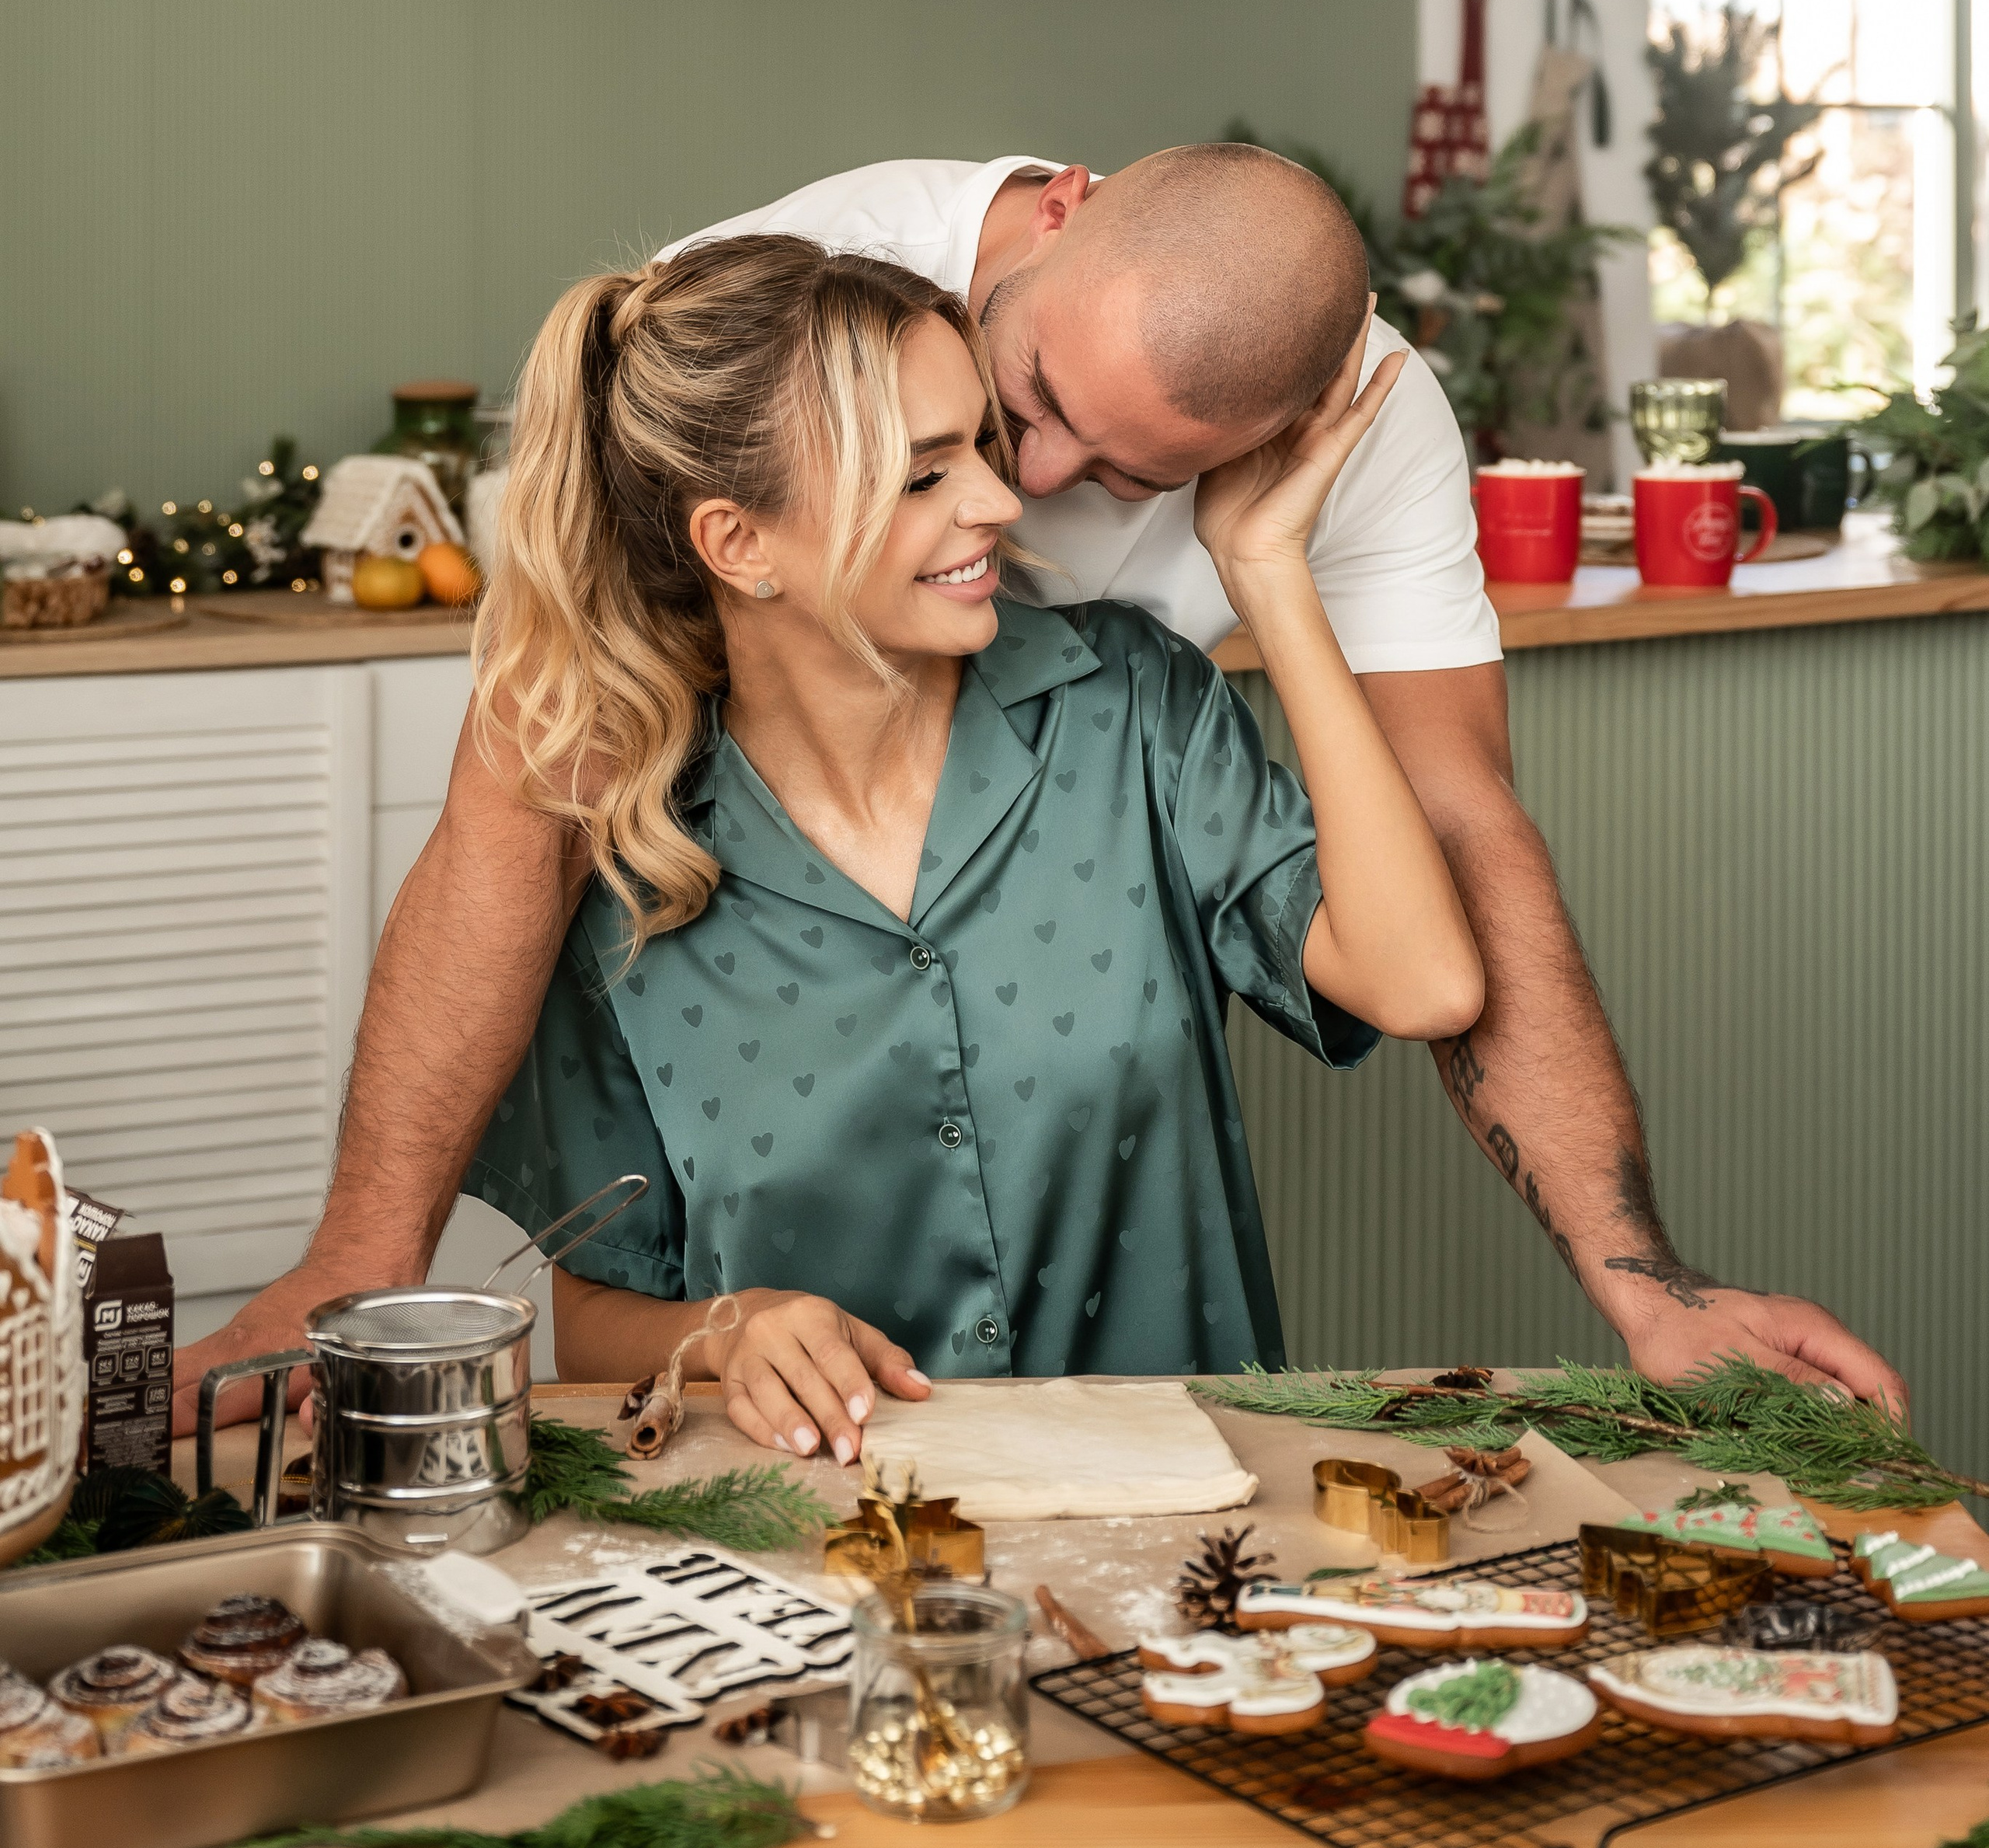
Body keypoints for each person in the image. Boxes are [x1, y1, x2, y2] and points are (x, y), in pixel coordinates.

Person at [176, 145, 1905, 1427]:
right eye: (999, 427)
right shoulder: (770, 323)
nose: (1036, 493)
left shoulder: (1178, 658)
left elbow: (1452, 865)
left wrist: (1644, 1289)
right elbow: (515, 813)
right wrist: (363, 1257)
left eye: (1129, 477)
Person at [462, 235, 1482, 1452]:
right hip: (825, 1551)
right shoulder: (630, 861)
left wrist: (1267, 573)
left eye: (981, 448)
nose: (999, 501)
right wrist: (731, 1330)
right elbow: (595, 1315)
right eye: (920, 475)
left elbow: (1424, 980)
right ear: (739, 543)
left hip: (1184, 1528)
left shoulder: (1131, 706)